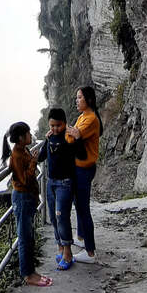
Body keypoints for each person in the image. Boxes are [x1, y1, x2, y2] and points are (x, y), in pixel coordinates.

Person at [1, 121, 53, 287]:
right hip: (22, 198)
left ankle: (31, 271)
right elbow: (24, 179)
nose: (31, 136)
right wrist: (33, 161)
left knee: (28, 236)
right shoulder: (16, 155)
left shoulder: (22, 150)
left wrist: (33, 158)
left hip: (27, 198)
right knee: (24, 237)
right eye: (29, 134)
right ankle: (28, 275)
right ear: (21, 138)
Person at [37, 107, 86, 270]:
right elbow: (41, 157)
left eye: (58, 125)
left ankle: (68, 253)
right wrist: (46, 140)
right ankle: (60, 248)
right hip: (51, 182)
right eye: (52, 126)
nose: (55, 129)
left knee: (61, 216)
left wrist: (78, 138)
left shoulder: (69, 137)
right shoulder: (51, 137)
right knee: (53, 217)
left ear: (64, 123)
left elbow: (82, 156)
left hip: (65, 183)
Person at [66, 85, 103, 263]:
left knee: (83, 208)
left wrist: (68, 130)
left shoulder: (90, 119)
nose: (76, 100)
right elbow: (71, 136)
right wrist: (68, 131)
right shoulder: (83, 116)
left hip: (84, 168)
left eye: (79, 97)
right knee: (78, 204)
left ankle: (90, 253)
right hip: (78, 167)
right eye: (76, 97)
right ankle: (81, 237)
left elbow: (73, 136)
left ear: (88, 100)